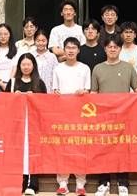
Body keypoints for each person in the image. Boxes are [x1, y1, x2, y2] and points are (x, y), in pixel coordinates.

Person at [91, 35, 137, 196]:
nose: (112, 49)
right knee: (103, 148)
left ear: (120, 49)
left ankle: (123, 183)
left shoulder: (128, 68)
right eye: (109, 47)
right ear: (105, 49)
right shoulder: (97, 68)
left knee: (123, 149)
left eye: (115, 47)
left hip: (124, 116)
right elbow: (93, 93)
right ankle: (103, 182)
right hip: (103, 117)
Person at [52, 37, 91, 196]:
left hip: (80, 114)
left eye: (74, 48)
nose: (70, 50)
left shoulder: (85, 68)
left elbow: (88, 90)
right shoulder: (58, 68)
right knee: (62, 148)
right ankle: (63, 183)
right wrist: (57, 94)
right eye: (68, 47)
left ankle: (81, 184)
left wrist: (83, 92)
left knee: (80, 147)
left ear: (78, 50)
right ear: (64, 49)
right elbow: (55, 90)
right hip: (62, 114)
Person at [6, 52, 47, 195]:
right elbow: (5, 103)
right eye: (23, 64)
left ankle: (33, 183)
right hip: (16, 124)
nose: (26, 67)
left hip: (33, 123)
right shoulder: (12, 83)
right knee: (18, 152)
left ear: (33, 66)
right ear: (19, 66)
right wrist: (14, 97)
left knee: (33, 151)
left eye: (28, 64)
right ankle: (20, 181)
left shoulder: (39, 83)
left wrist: (34, 98)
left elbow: (46, 104)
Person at [118, 21, 137, 87]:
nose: (128, 35)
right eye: (126, 32)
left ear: (135, 35)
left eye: (131, 32)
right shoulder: (117, 50)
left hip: (136, 88)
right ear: (121, 35)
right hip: (120, 88)